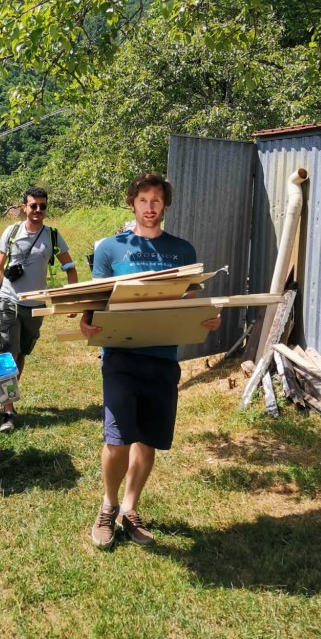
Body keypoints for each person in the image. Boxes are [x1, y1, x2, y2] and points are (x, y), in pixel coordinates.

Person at [80, 172, 221, 549]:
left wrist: (206, 317)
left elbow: (189, 300)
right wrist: (87, 320)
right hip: (121, 356)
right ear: (132, 203)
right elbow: (96, 300)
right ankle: (108, 506)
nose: (150, 207)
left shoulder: (183, 251)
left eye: (156, 200)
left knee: (148, 439)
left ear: (165, 205)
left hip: (162, 357)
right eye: (143, 200)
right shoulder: (111, 249)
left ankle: (130, 507)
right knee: (117, 438)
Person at [0, 187, 78, 432]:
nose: (38, 210)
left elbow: (69, 265)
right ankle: (8, 410)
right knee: (9, 353)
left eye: (42, 206)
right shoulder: (11, 232)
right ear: (24, 207)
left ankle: (8, 397)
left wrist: (74, 298)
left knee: (21, 354)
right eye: (33, 206)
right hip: (9, 300)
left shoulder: (52, 236)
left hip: (35, 305)